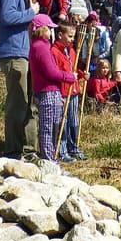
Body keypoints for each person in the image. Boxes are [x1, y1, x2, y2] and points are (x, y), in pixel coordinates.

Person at [0, 0, 45, 160]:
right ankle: (13, 150)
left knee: (30, 104)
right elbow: (7, 16)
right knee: (18, 103)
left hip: (25, 54)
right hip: (13, 54)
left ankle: (29, 149)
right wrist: (30, 13)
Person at [29, 14, 76, 162]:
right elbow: (51, 72)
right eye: (49, 29)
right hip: (47, 92)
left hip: (49, 92)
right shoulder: (41, 47)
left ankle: (51, 159)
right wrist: (70, 77)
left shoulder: (40, 45)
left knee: (52, 127)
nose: (51, 32)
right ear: (43, 29)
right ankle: (49, 161)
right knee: (48, 130)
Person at [51, 21, 88, 162]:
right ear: (60, 35)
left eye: (74, 36)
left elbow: (73, 69)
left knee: (74, 120)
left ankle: (74, 148)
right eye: (70, 36)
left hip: (74, 90)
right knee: (63, 121)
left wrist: (81, 74)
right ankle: (62, 150)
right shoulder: (54, 51)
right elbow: (56, 72)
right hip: (63, 91)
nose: (73, 39)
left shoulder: (72, 51)